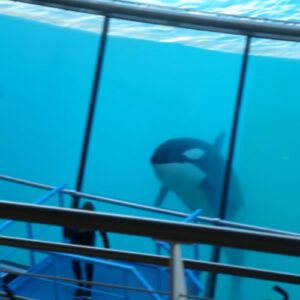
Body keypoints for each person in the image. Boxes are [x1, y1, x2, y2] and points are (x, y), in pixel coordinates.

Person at [64, 201, 110, 299]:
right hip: (76, 241)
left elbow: (104, 235)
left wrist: (108, 252)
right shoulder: (77, 216)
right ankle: (80, 286)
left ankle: (88, 288)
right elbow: (67, 233)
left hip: (88, 242)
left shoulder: (96, 219)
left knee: (88, 264)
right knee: (76, 264)